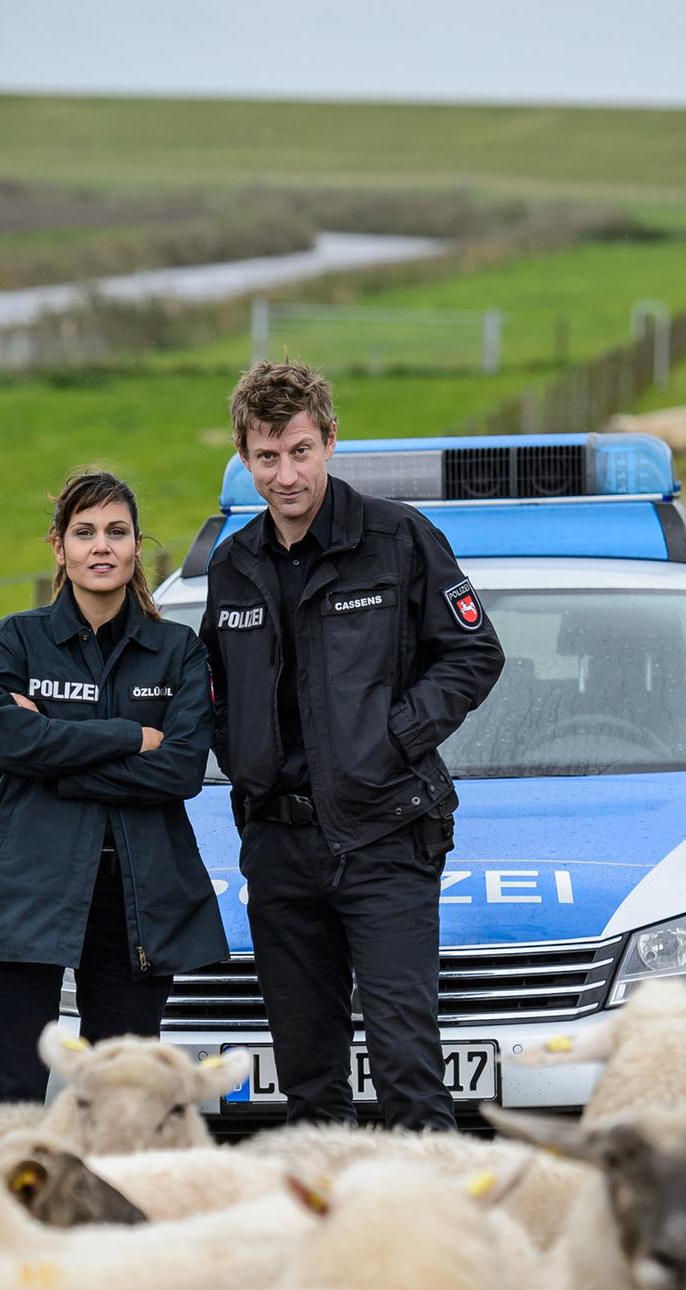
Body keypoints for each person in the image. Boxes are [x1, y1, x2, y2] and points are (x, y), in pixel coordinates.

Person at [200, 360, 505, 1130]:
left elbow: (475, 653)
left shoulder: (398, 538)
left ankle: (431, 1237)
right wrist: (241, 758)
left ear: (331, 442)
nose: (286, 473)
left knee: (407, 1070)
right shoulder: (234, 568)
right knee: (309, 1086)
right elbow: (209, 690)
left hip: (385, 837)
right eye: (267, 457)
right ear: (244, 457)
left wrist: (392, 737)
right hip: (278, 847)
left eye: (300, 450)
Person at [0, 470, 225, 1102]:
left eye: (116, 532)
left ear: (137, 546)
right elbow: (13, 745)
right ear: (59, 547)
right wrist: (130, 735)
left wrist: (54, 753)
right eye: (84, 533)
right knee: (8, 1093)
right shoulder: (12, 641)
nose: (100, 546)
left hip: (133, 900)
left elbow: (182, 770)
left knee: (125, 1099)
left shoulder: (177, 650)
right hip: (24, 892)